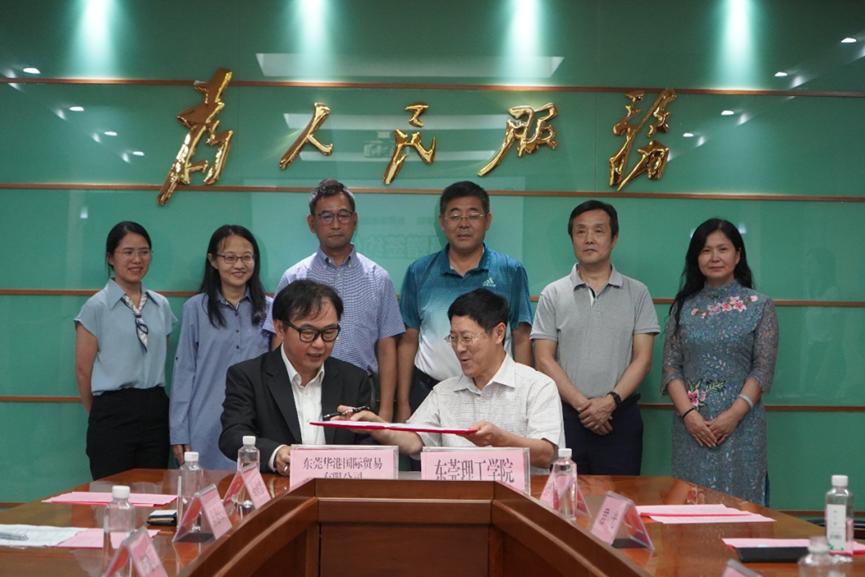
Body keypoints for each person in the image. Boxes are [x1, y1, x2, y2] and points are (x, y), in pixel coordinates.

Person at [346, 289, 563, 472]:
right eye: (453, 338)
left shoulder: (537, 386)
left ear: (498, 334)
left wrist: (499, 439)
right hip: (459, 499)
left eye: (467, 338)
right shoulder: (444, 392)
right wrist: (377, 428)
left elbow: (546, 454)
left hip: (518, 501)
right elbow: (414, 441)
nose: (459, 348)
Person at [532, 200, 658, 475]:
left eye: (598, 231)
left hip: (620, 416)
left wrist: (609, 402)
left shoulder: (637, 293)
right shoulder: (553, 294)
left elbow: (643, 359)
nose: (589, 239)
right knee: (564, 497)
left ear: (614, 238)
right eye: (581, 231)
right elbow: (543, 360)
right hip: (566, 417)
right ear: (572, 238)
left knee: (620, 498)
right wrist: (584, 406)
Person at [265, 179, 404, 420]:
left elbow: (386, 348)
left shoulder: (378, 278)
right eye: (327, 216)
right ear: (312, 223)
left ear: (355, 220)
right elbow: (279, 339)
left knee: (356, 447)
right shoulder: (294, 277)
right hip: (303, 387)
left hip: (359, 389)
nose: (336, 224)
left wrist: (386, 410)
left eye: (343, 215)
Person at [662, 218, 778, 504]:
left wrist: (733, 416)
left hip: (742, 425)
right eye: (705, 250)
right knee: (691, 504)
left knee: (741, 506)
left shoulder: (760, 305)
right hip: (692, 427)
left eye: (722, 249)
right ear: (696, 258)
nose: (714, 257)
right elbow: (671, 367)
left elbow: (762, 369)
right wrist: (689, 416)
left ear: (738, 255)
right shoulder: (683, 307)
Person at [397, 181, 533, 423]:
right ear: (442, 222)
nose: (463, 224)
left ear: (487, 220)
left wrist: (523, 396)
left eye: (473, 215)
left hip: (494, 393)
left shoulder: (509, 271)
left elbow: (521, 336)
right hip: (428, 390)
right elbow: (409, 338)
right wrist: (403, 403)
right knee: (423, 450)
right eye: (455, 216)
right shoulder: (419, 271)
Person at [219, 279, 372, 475]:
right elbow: (233, 436)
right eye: (307, 333)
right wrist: (276, 453)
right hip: (275, 487)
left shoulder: (354, 379)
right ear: (280, 328)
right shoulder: (248, 376)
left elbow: (368, 443)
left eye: (329, 332)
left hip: (336, 487)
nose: (319, 344)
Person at [74, 221, 177, 479]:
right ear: (111, 258)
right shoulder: (96, 307)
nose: (137, 260)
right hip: (112, 410)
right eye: (128, 252)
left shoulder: (161, 305)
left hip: (155, 407)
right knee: (111, 492)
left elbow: (160, 355)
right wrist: (101, 412)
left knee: (153, 490)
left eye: (144, 252)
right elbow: (83, 371)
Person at [170, 225, 272, 470]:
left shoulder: (270, 308)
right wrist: (178, 431)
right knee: (204, 487)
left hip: (255, 419)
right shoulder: (195, 308)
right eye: (230, 257)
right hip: (205, 419)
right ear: (213, 261)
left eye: (246, 257)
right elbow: (184, 371)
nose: (239, 265)